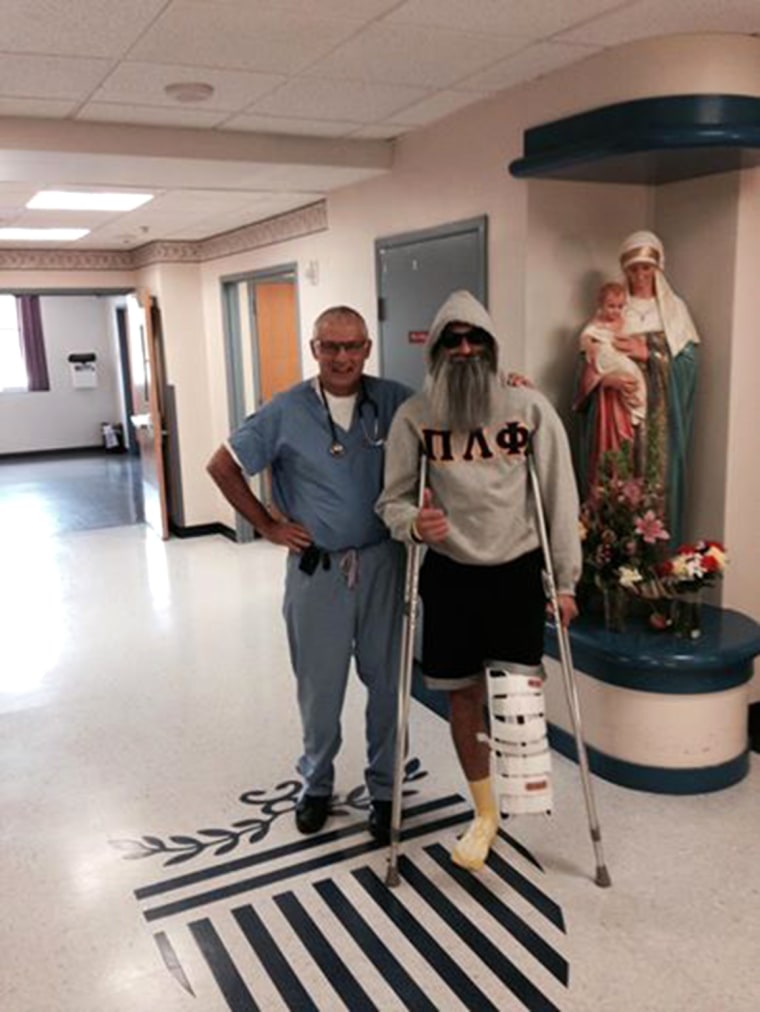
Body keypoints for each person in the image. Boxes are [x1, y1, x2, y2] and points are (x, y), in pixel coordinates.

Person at [376, 290, 581, 872]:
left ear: (491, 347)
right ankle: (485, 813)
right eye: (452, 340)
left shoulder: (528, 409)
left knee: (516, 694)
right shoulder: (415, 418)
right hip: (451, 574)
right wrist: (414, 522)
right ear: (436, 352)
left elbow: (559, 499)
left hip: (516, 572)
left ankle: (517, 800)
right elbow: (390, 501)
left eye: (475, 340)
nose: (464, 350)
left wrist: (565, 582)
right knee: (461, 696)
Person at [207, 306, 411, 842]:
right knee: (320, 691)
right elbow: (222, 466)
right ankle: (315, 784)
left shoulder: (395, 401)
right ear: (314, 348)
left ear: (368, 348)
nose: (342, 357)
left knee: (388, 685)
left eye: (352, 346)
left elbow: (453, 426)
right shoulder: (284, 410)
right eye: (330, 346)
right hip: (316, 570)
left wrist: (508, 389)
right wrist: (267, 526)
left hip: (383, 564)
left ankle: (386, 790)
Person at [573, 231, 699, 543]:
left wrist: (650, 353)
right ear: (624, 271)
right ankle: (614, 565)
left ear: (658, 268)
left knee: (655, 488)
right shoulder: (614, 308)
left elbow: (689, 365)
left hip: (659, 419)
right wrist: (605, 379)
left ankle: (655, 566)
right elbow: (587, 359)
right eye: (633, 268)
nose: (640, 275)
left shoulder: (673, 310)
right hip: (615, 415)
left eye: (646, 267)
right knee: (616, 484)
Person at [579, 280, 647, 429]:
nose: (615, 310)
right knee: (627, 370)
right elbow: (585, 339)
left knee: (633, 372)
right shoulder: (596, 324)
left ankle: (635, 404)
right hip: (604, 360)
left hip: (618, 358)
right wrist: (589, 346)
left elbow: (634, 342)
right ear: (601, 305)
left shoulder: (623, 322)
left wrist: (633, 342)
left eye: (619, 307)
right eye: (611, 306)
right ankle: (634, 403)